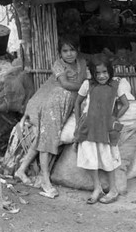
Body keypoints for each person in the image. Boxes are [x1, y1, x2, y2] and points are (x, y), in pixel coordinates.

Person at [15, 33, 87, 198]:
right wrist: (84, 85)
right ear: (60, 53)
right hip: (53, 105)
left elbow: (82, 83)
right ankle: (45, 179)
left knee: (43, 138)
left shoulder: (82, 64)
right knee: (48, 140)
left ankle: (20, 170)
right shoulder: (58, 65)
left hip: (67, 105)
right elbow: (66, 84)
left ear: (78, 50)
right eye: (65, 51)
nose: (69, 54)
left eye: (72, 50)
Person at [74, 55, 130, 204]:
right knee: (90, 158)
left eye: (104, 72)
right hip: (88, 127)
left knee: (107, 158)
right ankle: (97, 188)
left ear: (110, 71)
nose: (101, 76)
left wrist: (114, 118)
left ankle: (113, 190)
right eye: (97, 73)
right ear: (92, 73)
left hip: (105, 129)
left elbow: (126, 104)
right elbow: (78, 102)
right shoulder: (88, 84)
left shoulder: (115, 86)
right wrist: (78, 122)